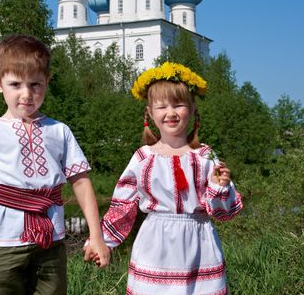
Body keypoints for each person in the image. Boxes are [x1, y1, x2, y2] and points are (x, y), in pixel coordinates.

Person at [0, 34, 110, 294]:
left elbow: (81, 182)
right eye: (15, 84)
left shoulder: (59, 131)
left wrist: (96, 236)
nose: (26, 94)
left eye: (35, 84)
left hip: (51, 239)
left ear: (47, 82)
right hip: (3, 240)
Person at [84, 62, 244, 294]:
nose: (170, 113)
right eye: (161, 107)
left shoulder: (205, 156)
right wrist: (101, 242)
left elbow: (224, 213)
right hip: (156, 245)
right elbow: (123, 207)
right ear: (149, 112)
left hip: (199, 244)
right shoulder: (143, 158)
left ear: (191, 109)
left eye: (178, 105)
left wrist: (221, 187)